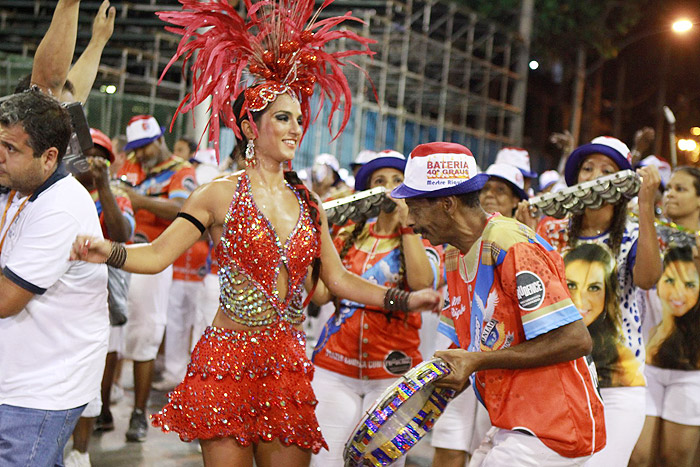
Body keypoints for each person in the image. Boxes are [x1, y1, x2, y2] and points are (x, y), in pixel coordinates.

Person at [71, 1, 439, 465]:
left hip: (285, 362)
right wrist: (110, 251)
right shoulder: (216, 195)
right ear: (249, 126)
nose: (295, 128)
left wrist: (405, 300)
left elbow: (339, 280)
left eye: (299, 119)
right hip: (226, 361)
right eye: (283, 118)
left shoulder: (310, 204)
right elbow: (158, 255)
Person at [391, 141, 605, 466]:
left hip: (553, 426)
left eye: (416, 207)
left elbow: (575, 339)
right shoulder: (454, 253)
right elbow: (464, 347)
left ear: (447, 204)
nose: (410, 220)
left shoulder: (512, 245)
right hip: (514, 421)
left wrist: (476, 362)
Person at [309, 150, 441, 466]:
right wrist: (308, 251)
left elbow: (422, 285)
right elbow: (322, 295)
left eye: (398, 181)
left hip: (392, 374)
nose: (389, 188)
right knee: (324, 461)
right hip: (334, 368)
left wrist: (407, 225)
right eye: (379, 181)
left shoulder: (426, 238)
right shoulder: (345, 237)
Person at [537, 136, 662, 466]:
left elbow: (648, 279)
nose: (595, 176)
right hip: (560, 381)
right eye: (587, 168)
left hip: (619, 385)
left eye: (608, 170)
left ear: (622, 184)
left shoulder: (635, 234)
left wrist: (646, 207)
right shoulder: (552, 233)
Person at [0, 90, 109, 466]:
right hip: (21, 377)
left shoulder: (61, 206)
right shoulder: (19, 189)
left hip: (40, 390)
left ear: (49, 158)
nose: (0, 156)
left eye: (11, 149)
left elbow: (5, 300)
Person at [117, 114, 198, 442]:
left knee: (146, 335)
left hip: (154, 258)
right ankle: (105, 407)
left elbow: (181, 209)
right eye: (135, 148)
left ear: (158, 139)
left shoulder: (182, 169)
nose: (141, 154)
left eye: (145, 146)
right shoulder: (133, 164)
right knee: (114, 334)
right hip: (122, 253)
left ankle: (139, 412)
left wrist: (138, 201)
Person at [65, 127, 135, 467]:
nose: (91, 163)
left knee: (91, 376)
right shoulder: (59, 192)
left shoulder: (116, 194)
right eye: (85, 155)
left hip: (100, 303)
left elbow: (122, 237)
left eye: (100, 157)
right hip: (58, 299)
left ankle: (80, 451)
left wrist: (104, 186)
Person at [630, 166, 700, 467]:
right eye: (669, 188)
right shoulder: (651, 235)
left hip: (692, 368)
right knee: (639, 455)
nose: (670, 194)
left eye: (681, 189)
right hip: (648, 364)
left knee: (675, 459)